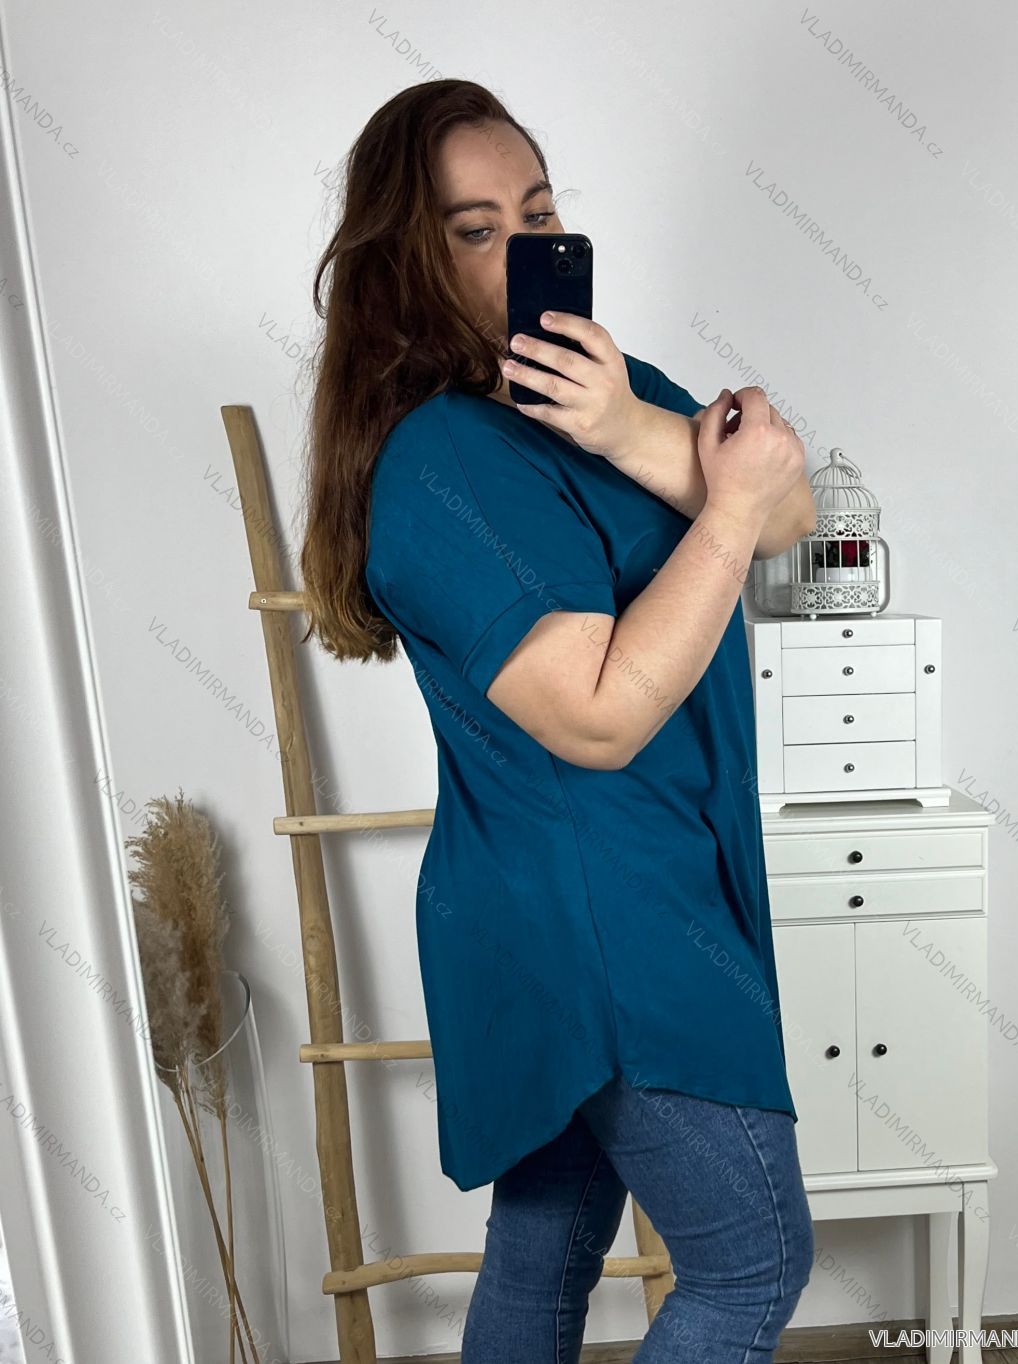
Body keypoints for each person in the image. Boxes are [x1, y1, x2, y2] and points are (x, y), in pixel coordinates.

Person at [300, 76, 817, 1364]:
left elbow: (791, 516)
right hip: (601, 922)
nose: (525, 247)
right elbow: (597, 716)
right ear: (406, 263)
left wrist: (630, 423)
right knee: (752, 1261)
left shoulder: (596, 387)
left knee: (546, 1252)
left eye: (538, 213)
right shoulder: (442, 459)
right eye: (475, 229)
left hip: (612, 898)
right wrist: (723, 500)